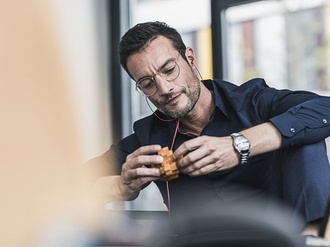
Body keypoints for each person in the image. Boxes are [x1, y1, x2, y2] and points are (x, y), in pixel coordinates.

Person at [87, 21, 330, 236]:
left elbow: (324, 109)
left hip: (278, 238)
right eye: (148, 84)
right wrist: (120, 187)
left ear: (190, 59)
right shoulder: (146, 140)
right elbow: (63, 187)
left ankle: (312, 241)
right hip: (197, 241)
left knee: (302, 130)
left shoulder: (253, 102)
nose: (164, 88)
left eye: (169, 70)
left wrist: (238, 145)